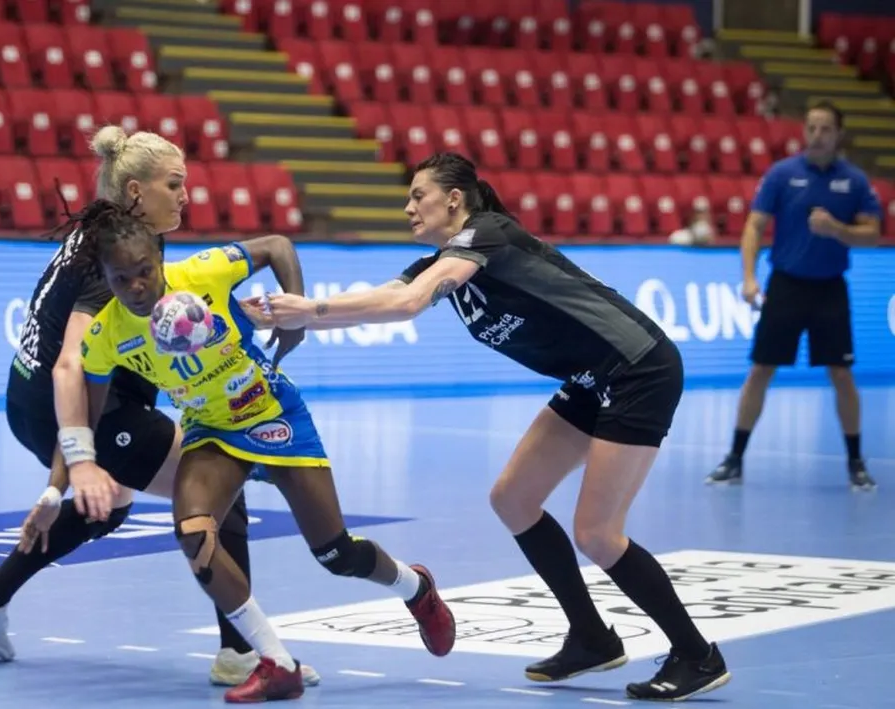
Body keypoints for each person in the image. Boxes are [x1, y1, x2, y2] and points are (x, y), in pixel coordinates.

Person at [257, 152, 732, 702]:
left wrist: (309, 309)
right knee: (513, 498)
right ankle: (591, 637)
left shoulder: (488, 234)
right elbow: (389, 296)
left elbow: (410, 305)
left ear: (453, 200)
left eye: (418, 196)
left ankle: (698, 655)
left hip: (637, 368)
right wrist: (283, 313)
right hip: (589, 375)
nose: (408, 207)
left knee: (597, 533)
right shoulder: (443, 260)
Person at [0, 125, 320, 688]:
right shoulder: (110, 256)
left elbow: (148, 319)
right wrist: (80, 460)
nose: (186, 195)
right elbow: (72, 363)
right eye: (175, 184)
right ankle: (241, 653)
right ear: (138, 193)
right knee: (222, 487)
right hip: (71, 404)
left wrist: (231, 314)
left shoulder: (107, 234)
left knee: (112, 503)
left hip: (24, 400)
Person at [68, 199, 456, 703]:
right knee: (193, 534)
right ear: (106, 279)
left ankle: (416, 588)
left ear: (159, 262)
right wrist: (69, 474)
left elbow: (277, 246)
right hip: (211, 430)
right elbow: (86, 413)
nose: (137, 286)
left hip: (274, 414)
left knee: (335, 553)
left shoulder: (202, 272)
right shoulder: (104, 337)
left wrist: (295, 317)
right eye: (122, 279)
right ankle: (278, 663)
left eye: (145, 271)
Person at [706, 100, 880, 490]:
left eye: (825, 129)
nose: (817, 135)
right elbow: (753, 227)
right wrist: (749, 278)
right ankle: (734, 458)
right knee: (761, 370)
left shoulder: (853, 181)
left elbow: (873, 234)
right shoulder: (782, 175)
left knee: (841, 373)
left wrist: (838, 230)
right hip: (786, 286)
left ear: (838, 135)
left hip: (830, 289)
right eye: (812, 128)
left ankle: (856, 462)